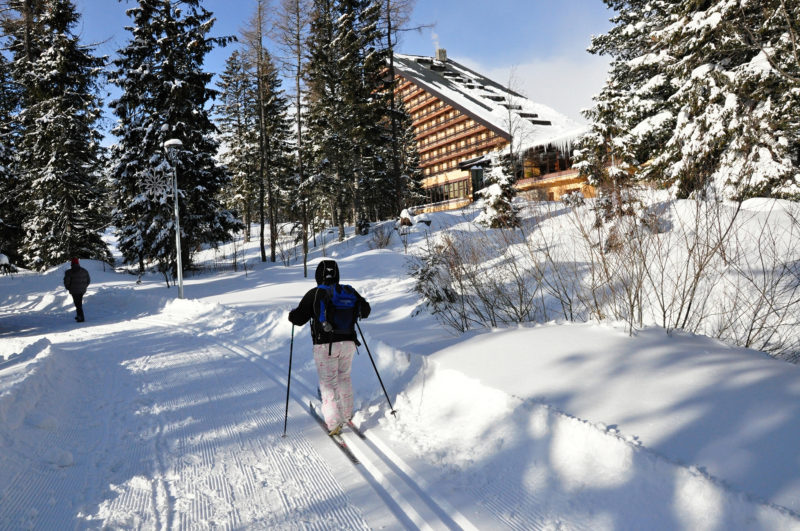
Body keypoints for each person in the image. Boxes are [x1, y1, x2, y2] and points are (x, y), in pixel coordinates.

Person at [288, 259, 371, 435]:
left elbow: (298, 318)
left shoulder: (315, 293)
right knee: (344, 378)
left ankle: (334, 423)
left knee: (328, 384)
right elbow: (366, 310)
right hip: (348, 343)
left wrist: (291, 316)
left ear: (318, 275)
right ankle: (347, 414)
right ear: (337, 274)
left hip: (325, 346)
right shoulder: (348, 291)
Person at [64, 258, 90, 322]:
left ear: (72, 264)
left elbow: (66, 282)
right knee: (79, 303)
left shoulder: (69, 272)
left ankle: (80, 317)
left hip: (74, 291)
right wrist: (84, 287)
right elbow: (88, 281)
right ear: (78, 263)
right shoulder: (84, 271)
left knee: (77, 304)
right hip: (82, 290)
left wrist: (69, 288)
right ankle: (79, 316)